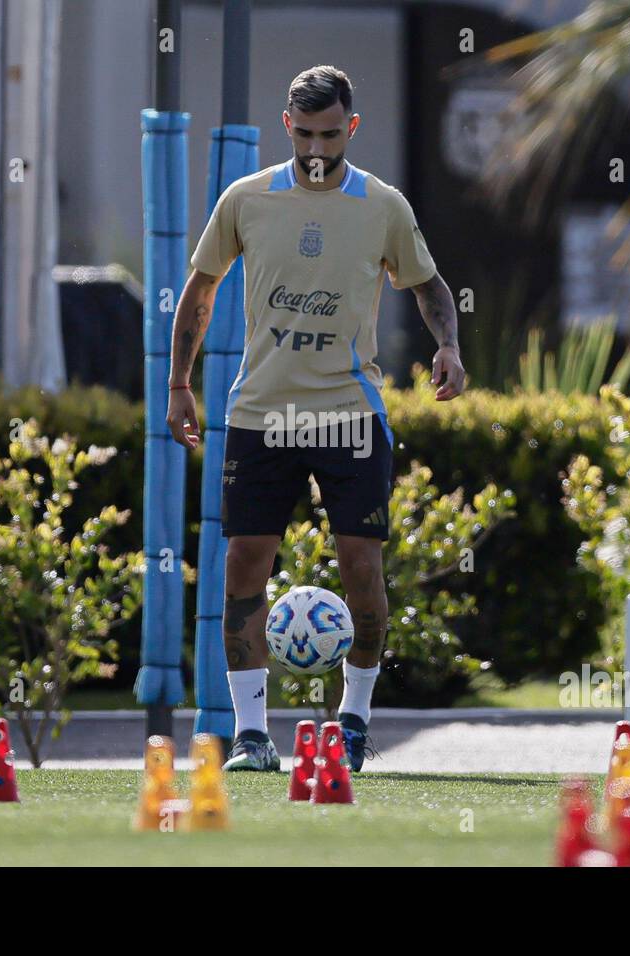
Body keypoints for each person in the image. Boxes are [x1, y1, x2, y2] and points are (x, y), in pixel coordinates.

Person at [166, 65, 465, 771]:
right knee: (243, 563)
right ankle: (249, 735)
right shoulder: (247, 198)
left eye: (330, 134)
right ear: (285, 126)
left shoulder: (382, 205)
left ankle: (354, 721)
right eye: (304, 134)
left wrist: (449, 344)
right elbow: (200, 290)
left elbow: (428, 285)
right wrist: (179, 383)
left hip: (347, 414)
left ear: (351, 128)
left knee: (361, 566)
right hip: (260, 415)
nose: (317, 149)